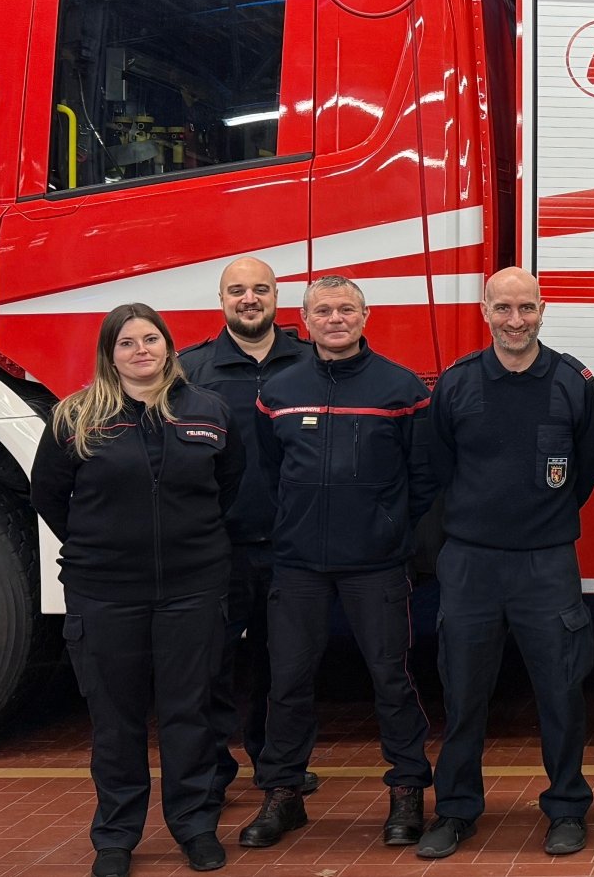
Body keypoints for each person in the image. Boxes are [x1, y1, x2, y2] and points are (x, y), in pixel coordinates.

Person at [31, 303, 245, 877]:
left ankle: (195, 827)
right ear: (109, 354)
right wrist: (103, 549)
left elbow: (229, 485)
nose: (141, 350)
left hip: (193, 589)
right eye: (127, 343)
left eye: (151, 339)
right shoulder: (74, 418)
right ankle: (116, 838)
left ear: (169, 347)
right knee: (115, 720)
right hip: (104, 594)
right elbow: (49, 497)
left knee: (189, 713)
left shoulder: (209, 412)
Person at [415, 267, 594, 859]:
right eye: (504, 309)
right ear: (485, 312)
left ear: (543, 309)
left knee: (561, 691)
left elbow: (589, 460)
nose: (516, 320)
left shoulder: (572, 381)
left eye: (526, 308)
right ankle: (455, 811)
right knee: (464, 693)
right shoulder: (457, 383)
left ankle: (568, 808)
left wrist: (542, 521)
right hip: (471, 563)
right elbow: (439, 467)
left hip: (546, 563)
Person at [238, 275, 437, 850]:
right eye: (323, 310)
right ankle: (283, 796)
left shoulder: (401, 389)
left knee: (390, 679)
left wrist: (387, 526)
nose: (335, 318)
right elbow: (272, 471)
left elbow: (421, 479)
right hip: (298, 564)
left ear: (365, 315)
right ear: (305, 319)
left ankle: (406, 792)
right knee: (287, 681)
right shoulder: (277, 391)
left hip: (375, 564)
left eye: (346, 308)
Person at [177, 256, 315, 805]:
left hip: (293, 549)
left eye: (260, 289)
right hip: (218, 549)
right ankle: (212, 771)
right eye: (238, 290)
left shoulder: (310, 363)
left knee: (284, 668)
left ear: (277, 297)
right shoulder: (191, 371)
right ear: (222, 299)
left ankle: (278, 765)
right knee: (209, 665)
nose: (249, 299)